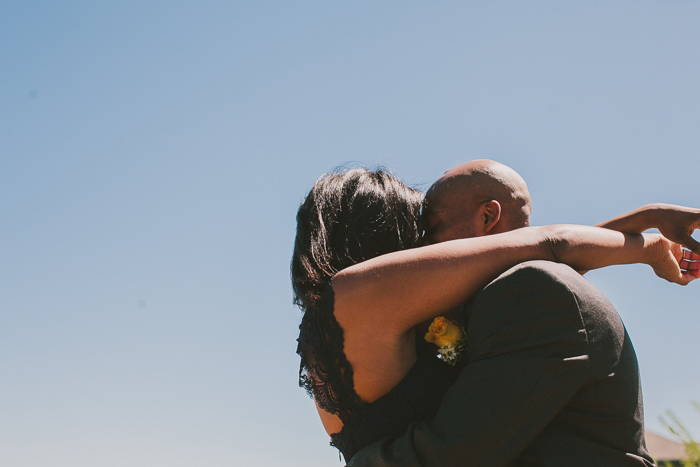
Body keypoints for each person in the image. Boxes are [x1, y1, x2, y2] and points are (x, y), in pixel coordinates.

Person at [292, 167, 700, 465]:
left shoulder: (345, 320)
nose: (425, 246)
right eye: (419, 231)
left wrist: (643, 219)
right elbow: (547, 247)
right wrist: (648, 246)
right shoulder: (365, 290)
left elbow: (528, 277)